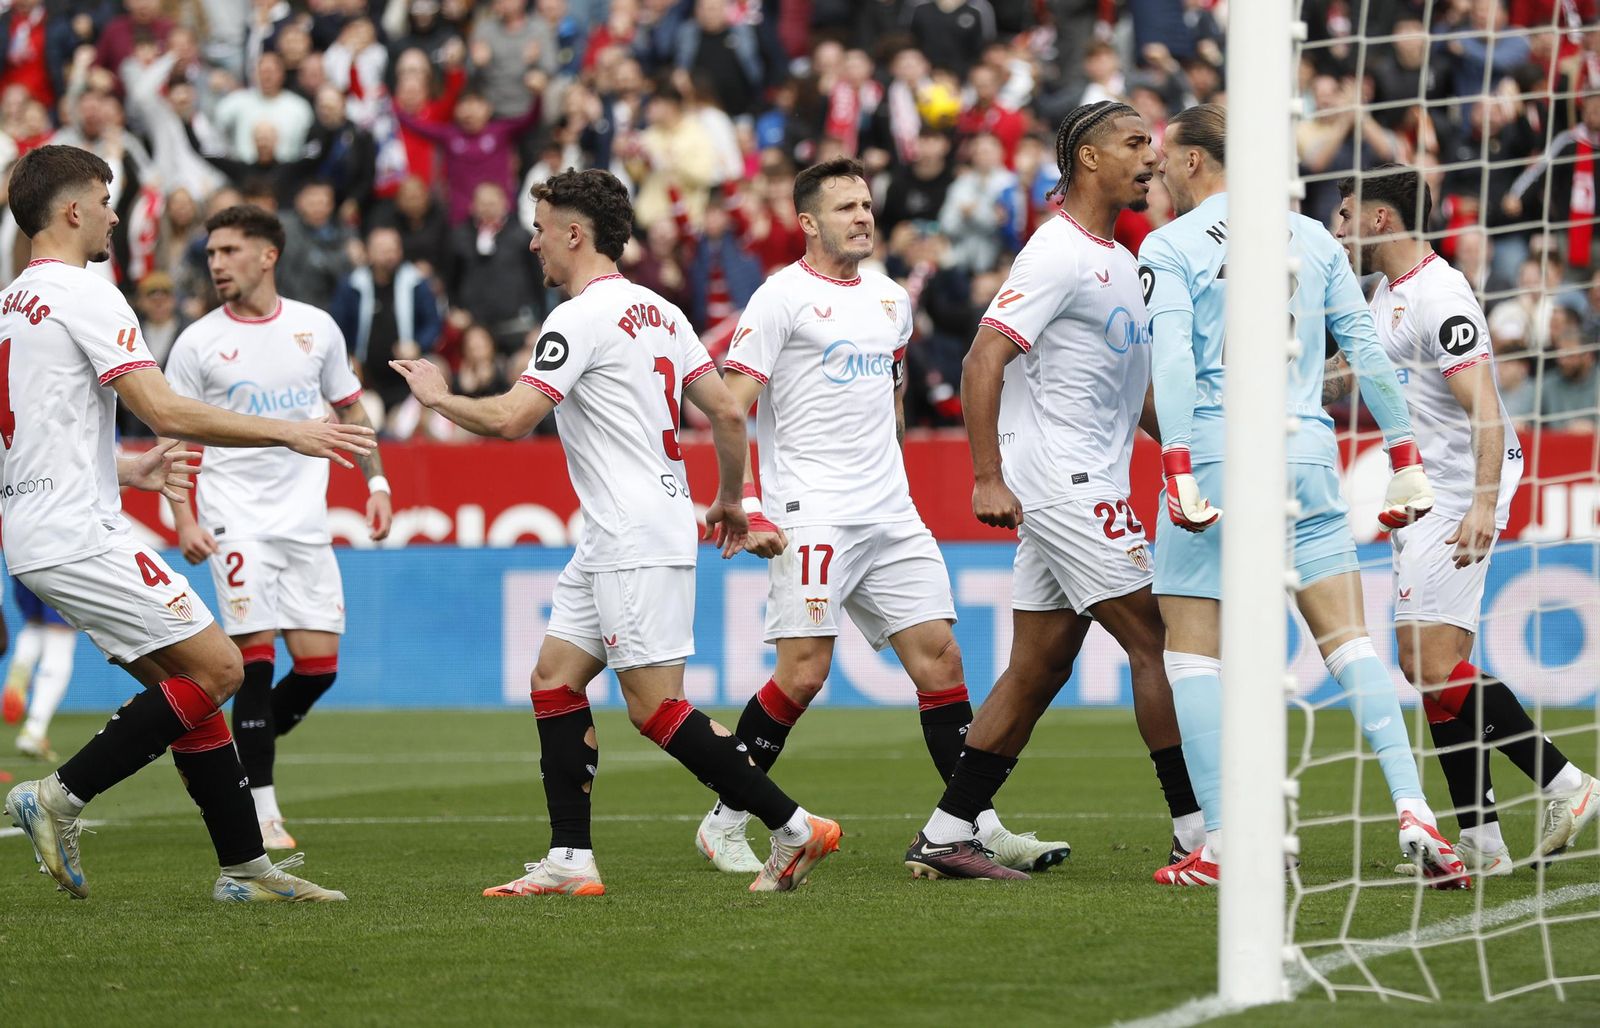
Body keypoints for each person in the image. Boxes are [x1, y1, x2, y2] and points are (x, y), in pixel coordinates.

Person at [391, 168, 840, 895]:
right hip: (624, 531)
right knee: (554, 678)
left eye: (540, 229)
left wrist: (438, 398)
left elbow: (512, 419)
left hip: (632, 534)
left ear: (575, 234)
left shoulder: (577, 318)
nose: (533, 243)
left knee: (656, 708)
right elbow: (729, 413)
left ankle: (793, 826)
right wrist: (729, 500)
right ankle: (570, 859)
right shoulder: (662, 312)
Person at [0, 145, 370, 902]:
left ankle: (245, 870)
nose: (115, 217)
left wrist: (121, 470)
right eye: (107, 201)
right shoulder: (88, 293)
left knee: (188, 694)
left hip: (39, 530)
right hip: (78, 534)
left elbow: (32, 429)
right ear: (73, 210)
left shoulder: (12, 301)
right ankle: (58, 796)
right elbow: (164, 409)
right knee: (222, 670)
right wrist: (290, 432)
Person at [698, 156, 1070, 878]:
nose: (864, 217)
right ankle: (725, 819)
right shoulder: (780, 299)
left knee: (942, 660)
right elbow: (730, 406)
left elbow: (892, 400)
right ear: (808, 222)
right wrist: (743, 502)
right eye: (846, 207)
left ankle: (976, 826)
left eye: (866, 205)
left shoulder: (891, 298)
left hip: (890, 512)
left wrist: (893, 479)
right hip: (814, 513)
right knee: (803, 673)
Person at [1142, 105, 1465, 888]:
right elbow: (1364, 349)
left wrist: (1177, 462)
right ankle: (1415, 810)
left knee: (1190, 651)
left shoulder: (1171, 244)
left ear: (1193, 162)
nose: (1159, 172)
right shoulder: (1313, 237)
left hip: (1217, 448)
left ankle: (1223, 842)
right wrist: (1403, 453)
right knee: (1350, 643)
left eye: (1166, 158)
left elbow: (1175, 362)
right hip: (1307, 452)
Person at [905, 103, 1201, 881]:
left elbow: (1135, 392)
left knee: (1039, 667)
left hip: (1081, 476)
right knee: (1157, 639)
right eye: (1135, 143)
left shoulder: (1121, 259)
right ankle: (1197, 832)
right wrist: (986, 476)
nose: (1151, 157)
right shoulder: (1056, 252)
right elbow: (982, 359)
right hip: (1060, 478)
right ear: (1088, 159)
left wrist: (1191, 453)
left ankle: (945, 832)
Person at [1332, 168, 1597, 873]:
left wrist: (1481, 502)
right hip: (1426, 490)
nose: (1339, 228)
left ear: (1382, 220)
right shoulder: (1384, 293)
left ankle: (1567, 782)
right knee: (1437, 669)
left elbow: (1484, 408)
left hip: (1456, 492)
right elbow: (1348, 375)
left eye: (1348, 214)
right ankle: (1483, 840)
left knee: (1422, 661)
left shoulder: (1441, 296)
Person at [162, 204, 393, 851]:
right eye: (211, 254)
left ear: (268, 256)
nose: (216, 264)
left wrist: (376, 483)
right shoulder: (197, 343)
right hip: (234, 518)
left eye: (229, 251)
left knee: (318, 668)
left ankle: (235, 751)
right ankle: (262, 810)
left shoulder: (315, 329)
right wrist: (184, 518)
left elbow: (351, 410)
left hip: (304, 521)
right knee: (254, 663)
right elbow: (174, 436)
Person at [3, 578, 75, 760]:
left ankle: (22, 664)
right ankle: (34, 731)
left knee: (35, 623)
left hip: (19, 565)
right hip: (59, 564)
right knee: (61, 634)